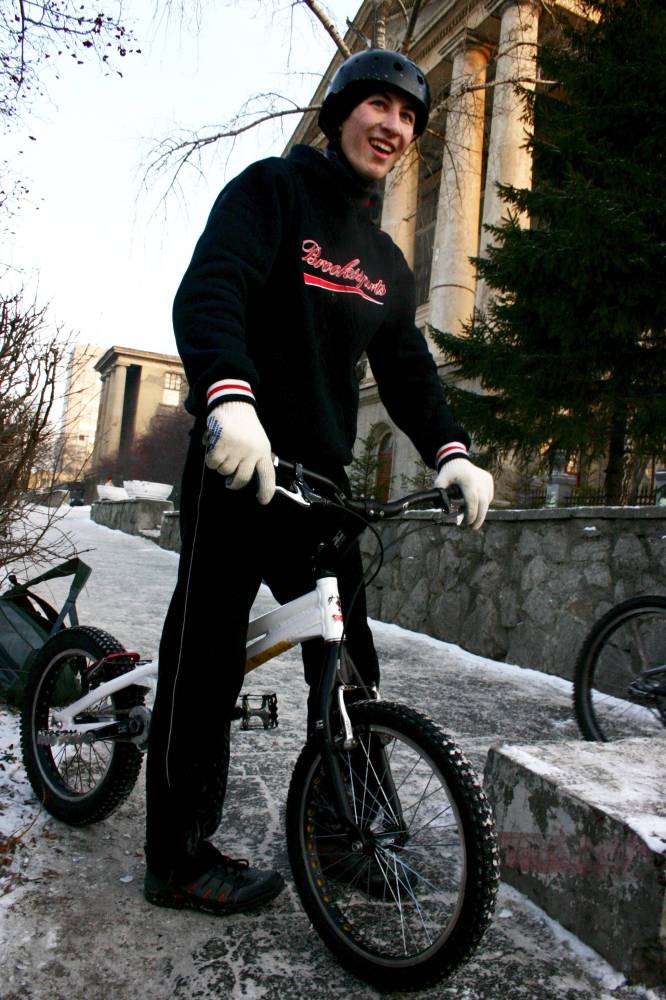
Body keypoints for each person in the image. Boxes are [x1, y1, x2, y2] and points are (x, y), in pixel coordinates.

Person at [143, 49, 494, 917]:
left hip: (321, 486)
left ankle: (343, 833)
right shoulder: (272, 191)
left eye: (408, 116)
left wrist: (450, 450)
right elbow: (212, 290)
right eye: (378, 105)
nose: (394, 126)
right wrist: (229, 396)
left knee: (349, 665)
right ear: (340, 114)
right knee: (206, 657)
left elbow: (408, 370)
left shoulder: (384, 258)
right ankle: (177, 857)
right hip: (240, 464)